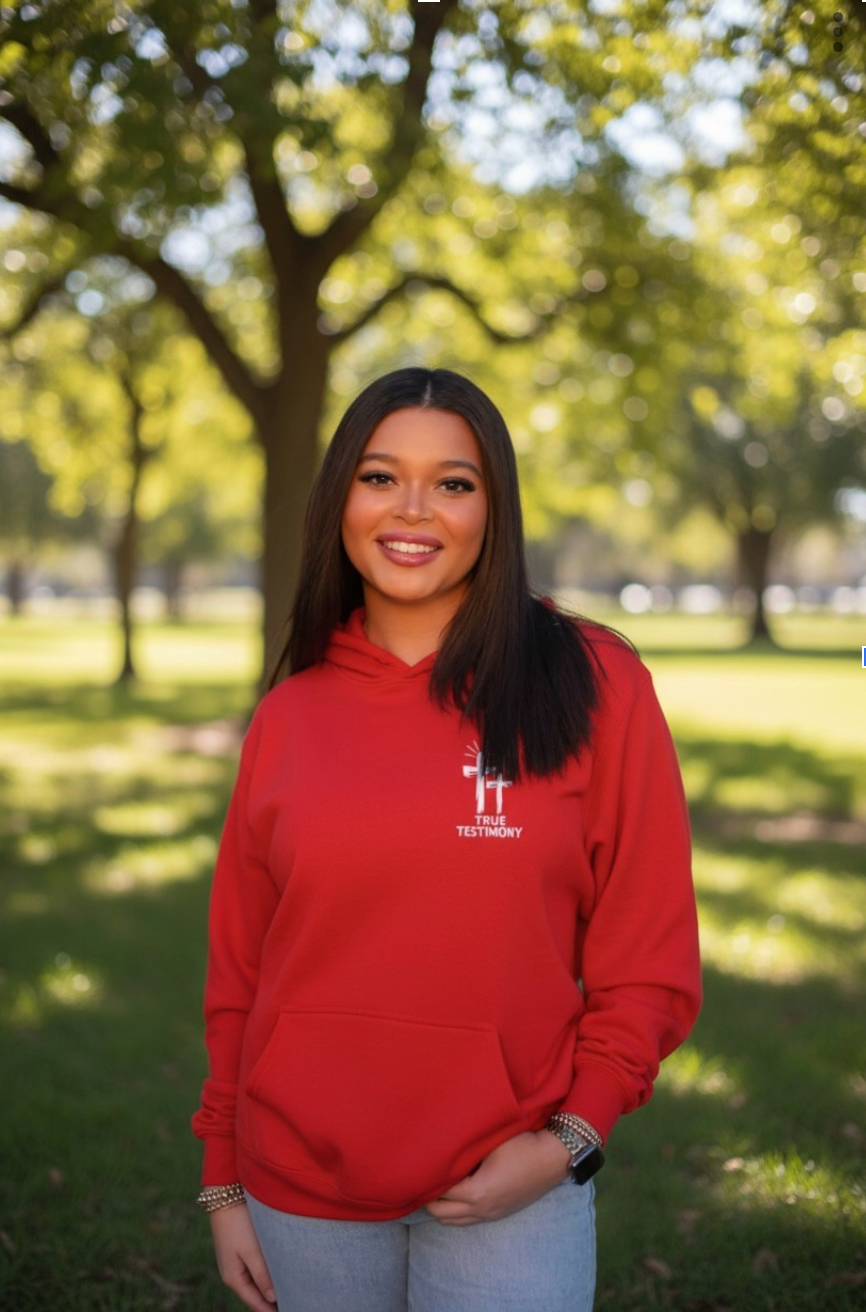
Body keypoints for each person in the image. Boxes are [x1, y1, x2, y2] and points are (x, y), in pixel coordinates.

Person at [192, 367, 701, 1312]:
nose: (413, 509)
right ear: (339, 497)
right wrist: (224, 1181)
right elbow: (241, 975)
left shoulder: (594, 683)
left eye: (453, 482)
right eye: (380, 476)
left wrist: (569, 1140)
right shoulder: (291, 714)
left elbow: (650, 954)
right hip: (300, 1189)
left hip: (513, 1185)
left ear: (493, 508)